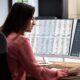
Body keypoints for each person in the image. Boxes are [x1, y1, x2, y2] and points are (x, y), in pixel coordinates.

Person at [0, 2, 76, 80]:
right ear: (22, 20)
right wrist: (67, 71)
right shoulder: (20, 41)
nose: (35, 23)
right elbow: (39, 73)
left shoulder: (5, 36)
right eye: (32, 19)